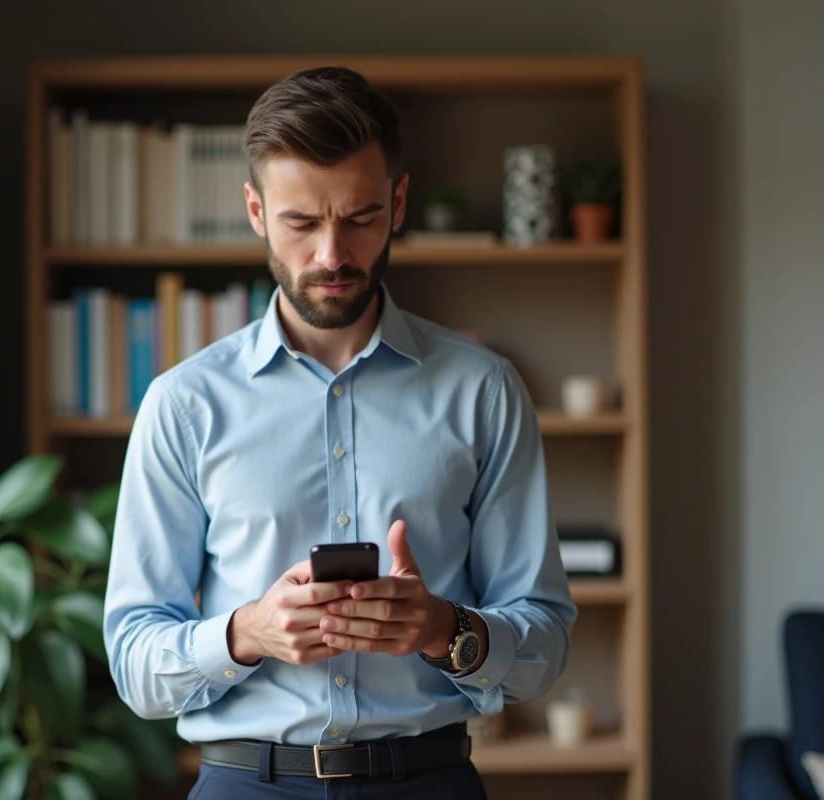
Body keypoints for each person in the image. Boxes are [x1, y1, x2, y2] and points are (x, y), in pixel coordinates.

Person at [103, 65, 577, 800]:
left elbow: (543, 643)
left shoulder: (484, 391)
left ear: (398, 201)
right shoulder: (183, 405)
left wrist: (442, 628)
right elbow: (134, 660)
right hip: (244, 784)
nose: (331, 254)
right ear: (256, 211)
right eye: (301, 222)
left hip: (430, 781)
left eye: (358, 218)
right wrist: (247, 633)